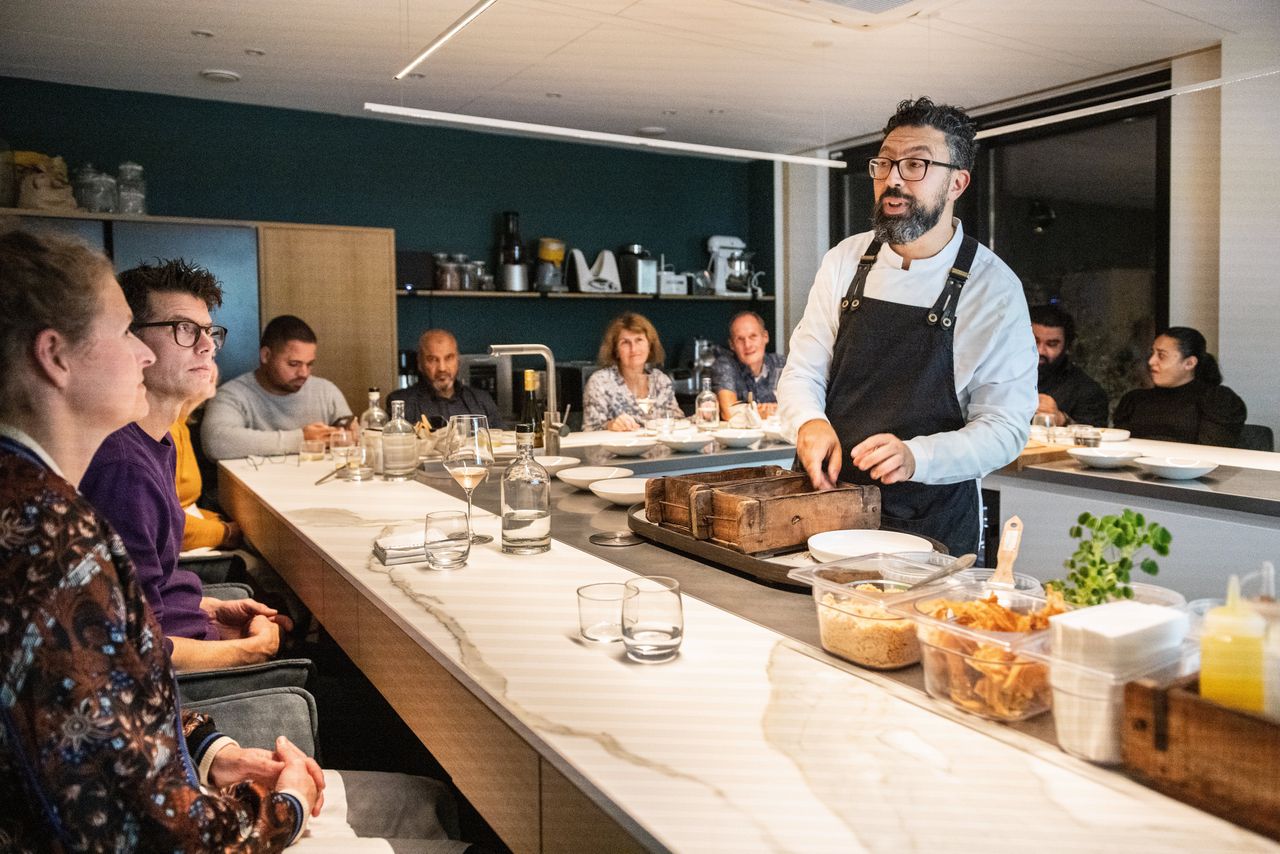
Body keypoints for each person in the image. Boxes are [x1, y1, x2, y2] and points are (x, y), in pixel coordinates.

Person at [0, 230, 471, 852]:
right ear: (56, 356)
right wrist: (284, 809)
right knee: (444, 797)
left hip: (188, 762)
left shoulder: (46, 506)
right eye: (122, 334)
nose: (141, 356)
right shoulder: (48, 542)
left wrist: (210, 748)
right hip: (213, 825)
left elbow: (115, 706)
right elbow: (145, 831)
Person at [777, 97, 1037, 557]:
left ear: (957, 182)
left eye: (916, 164)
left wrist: (918, 457)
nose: (893, 179)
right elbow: (803, 369)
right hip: (823, 500)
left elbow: (1005, 427)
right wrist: (809, 421)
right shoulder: (845, 260)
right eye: (885, 164)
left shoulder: (994, 288)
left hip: (927, 518)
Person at [81, 259, 291, 672]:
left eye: (209, 332)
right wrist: (247, 652)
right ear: (131, 341)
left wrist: (209, 608)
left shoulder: (158, 441)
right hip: (176, 683)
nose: (207, 346)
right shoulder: (121, 466)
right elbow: (132, 650)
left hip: (190, 637)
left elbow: (151, 588)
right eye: (184, 329)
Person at [201, 314, 352, 460]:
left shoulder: (326, 391)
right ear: (266, 355)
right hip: (256, 484)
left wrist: (350, 436)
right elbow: (215, 443)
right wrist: (301, 439)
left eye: (309, 364)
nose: (304, 373)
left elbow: (351, 435)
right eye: (294, 364)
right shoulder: (232, 394)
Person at [1113, 326, 1247, 446]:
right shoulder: (1133, 400)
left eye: (1161, 355)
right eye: (1152, 353)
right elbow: (1119, 447)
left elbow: (1213, 453)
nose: (1151, 361)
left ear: (1189, 363)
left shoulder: (1218, 400)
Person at [174, 359, 243, 550]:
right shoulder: (164, 431)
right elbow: (168, 526)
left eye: (211, 357)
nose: (209, 366)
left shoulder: (181, 423)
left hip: (198, 536)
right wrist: (227, 532)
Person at [583, 312, 685, 431]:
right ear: (615, 350)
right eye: (625, 342)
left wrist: (701, 415)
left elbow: (678, 424)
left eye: (639, 340)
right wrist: (610, 425)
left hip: (659, 449)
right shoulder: (600, 382)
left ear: (649, 346)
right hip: (617, 449)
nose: (634, 349)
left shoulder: (660, 380)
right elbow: (589, 431)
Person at [388, 328, 503, 429]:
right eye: (433, 359)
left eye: (448, 358)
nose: (442, 368)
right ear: (420, 363)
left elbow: (503, 442)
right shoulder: (402, 403)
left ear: (458, 361)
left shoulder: (482, 400)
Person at [1030, 303, 1109, 427]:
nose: (1040, 350)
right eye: (1034, 341)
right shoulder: (999, 376)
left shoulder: (1087, 391)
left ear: (1067, 347)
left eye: (1051, 344)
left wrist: (1062, 420)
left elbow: (1094, 440)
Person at [711, 310, 787, 419]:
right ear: (732, 345)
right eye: (740, 339)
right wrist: (761, 413)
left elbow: (800, 406)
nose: (747, 345)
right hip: (741, 435)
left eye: (753, 336)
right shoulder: (725, 365)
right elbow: (729, 412)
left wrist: (750, 413)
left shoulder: (781, 364)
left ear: (765, 337)